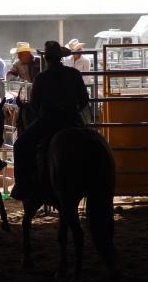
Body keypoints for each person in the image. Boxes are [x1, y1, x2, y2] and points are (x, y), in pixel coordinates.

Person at [11, 41, 90, 201]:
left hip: (48, 121)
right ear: (61, 57)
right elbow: (84, 100)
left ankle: (22, 187)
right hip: (72, 120)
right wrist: (71, 111)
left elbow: (35, 105)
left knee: (20, 146)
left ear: (46, 59)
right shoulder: (73, 74)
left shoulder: (41, 77)